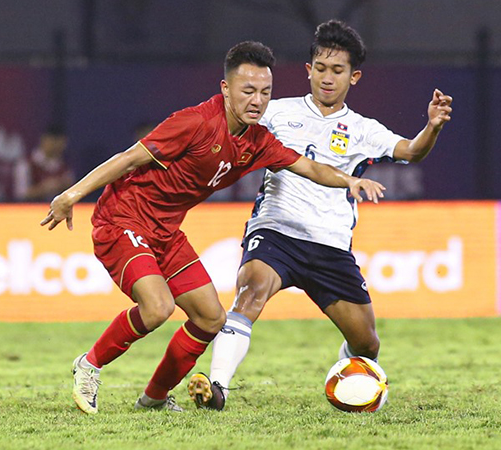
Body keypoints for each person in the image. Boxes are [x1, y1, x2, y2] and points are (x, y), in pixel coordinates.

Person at [40, 41, 387, 414]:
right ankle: (89, 365)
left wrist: (348, 181)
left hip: (166, 231)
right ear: (226, 89)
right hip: (123, 219)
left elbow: (310, 168)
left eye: (265, 92)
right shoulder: (194, 123)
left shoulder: (258, 141)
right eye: (248, 91)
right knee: (157, 308)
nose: (257, 101)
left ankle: (153, 398)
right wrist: (70, 195)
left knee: (211, 317)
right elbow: (127, 159)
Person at [189, 20, 453, 410]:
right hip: (276, 231)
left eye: (338, 70)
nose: (328, 78)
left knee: (367, 342)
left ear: (354, 76)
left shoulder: (363, 130)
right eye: (322, 69)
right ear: (309, 70)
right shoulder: (276, 113)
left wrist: (431, 126)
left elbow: (411, 151)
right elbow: (228, 129)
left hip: (329, 245)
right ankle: (216, 387)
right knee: (250, 291)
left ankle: (352, 381)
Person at [18, 124, 75, 201]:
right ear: (44, 140)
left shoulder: (64, 167)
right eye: (53, 142)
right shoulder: (26, 164)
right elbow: (21, 194)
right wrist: (44, 189)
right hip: (30, 210)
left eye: (60, 143)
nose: (56, 146)